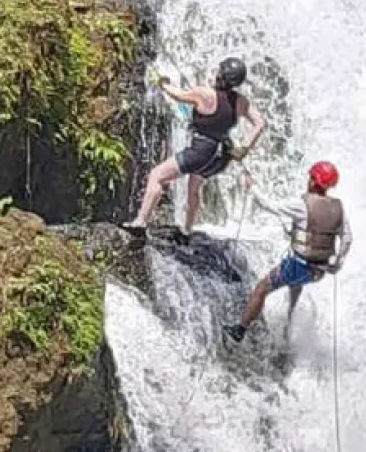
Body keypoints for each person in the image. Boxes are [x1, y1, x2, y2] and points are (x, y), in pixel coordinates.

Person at [127, 56, 266, 242]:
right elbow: (260, 123)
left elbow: (178, 95)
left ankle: (140, 222)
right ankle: (187, 230)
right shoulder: (240, 101)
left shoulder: (205, 94)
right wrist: (245, 148)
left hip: (201, 151)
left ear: (221, 75)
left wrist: (162, 83)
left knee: (157, 176)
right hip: (220, 157)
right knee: (194, 187)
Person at [225, 161, 348, 342]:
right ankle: (288, 328)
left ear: (314, 181)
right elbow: (347, 239)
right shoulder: (338, 208)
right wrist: (337, 263)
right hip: (319, 272)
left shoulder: (302, 205)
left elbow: (268, 205)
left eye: (310, 177)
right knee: (295, 286)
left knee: (261, 288)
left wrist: (252, 187)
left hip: (298, 267)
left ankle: (239, 330)